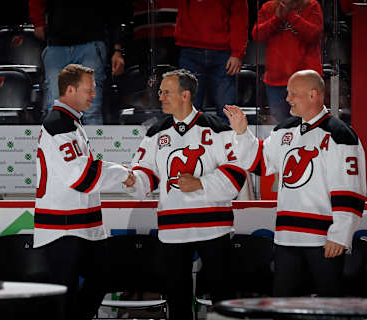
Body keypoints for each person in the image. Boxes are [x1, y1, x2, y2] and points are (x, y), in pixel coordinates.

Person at [224, 70, 366, 297]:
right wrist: (242, 133)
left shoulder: (340, 135)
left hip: (324, 240)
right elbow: (260, 164)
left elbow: (350, 190)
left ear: (313, 95)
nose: (287, 98)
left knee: (329, 308)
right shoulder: (284, 130)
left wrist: (339, 235)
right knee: (284, 306)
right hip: (286, 238)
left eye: (292, 93)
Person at [127, 69, 246, 319]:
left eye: (166, 92)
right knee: (177, 302)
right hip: (172, 232)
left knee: (224, 299)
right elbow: (144, 174)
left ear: (185, 94)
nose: (160, 97)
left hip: (215, 229)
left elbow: (236, 176)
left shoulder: (217, 129)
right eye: (160, 92)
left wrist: (201, 183)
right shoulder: (155, 133)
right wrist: (132, 180)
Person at [34, 64, 134, 320]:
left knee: (103, 276)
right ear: (70, 89)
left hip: (81, 227)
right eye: (89, 90)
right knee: (66, 300)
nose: (94, 94)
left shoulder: (71, 123)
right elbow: (81, 177)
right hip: (62, 230)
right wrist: (123, 173)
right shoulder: (59, 124)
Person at [28, 0, 126, 125]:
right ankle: (59, 144)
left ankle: (87, 144)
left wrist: (117, 49)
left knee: (90, 109)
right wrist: (38, 22)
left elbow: (114, 9)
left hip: (90, 41)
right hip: (59, 42)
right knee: (56, 107)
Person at [175, 0, 248, 121]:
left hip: (222, 52)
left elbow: (240, 16)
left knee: (226, 109)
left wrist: (237, 53)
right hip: (191, 48)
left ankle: (226, 139)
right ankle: (188, 139)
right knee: (187, 109)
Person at [252, 0, 323, 123]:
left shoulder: (311, 6)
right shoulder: (268, 7)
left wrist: (290, 15)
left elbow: (314, 34)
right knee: (283, 131)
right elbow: (257, 35)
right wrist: (277, 19)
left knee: (309, 126)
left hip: (306, 83)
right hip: (276, 81)